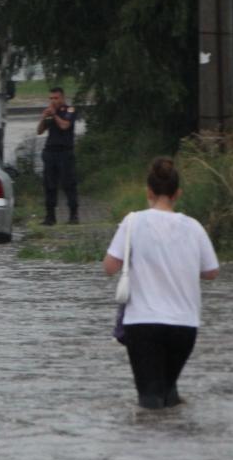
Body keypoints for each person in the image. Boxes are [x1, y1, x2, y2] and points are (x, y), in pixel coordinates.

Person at [103, 157, 220, 410]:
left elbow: (110, 267)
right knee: (168, 394)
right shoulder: (194, 227)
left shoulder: (132, 222)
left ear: (149, 191)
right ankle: (177, 445)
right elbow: (211, 272)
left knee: (150, 399)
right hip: (184, 325)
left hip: (143, 324)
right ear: (178, 193)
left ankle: (149, 449)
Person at [35, 87, 79, 225]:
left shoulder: (69, 110)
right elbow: (40, 131)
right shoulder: (50, 112)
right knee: (49, 185)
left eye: (56, 98)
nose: (53, 101)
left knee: (68, 183)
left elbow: (65, 126)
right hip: (50, 152)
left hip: (65, 152)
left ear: (62, 98)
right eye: (51, 98)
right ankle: (50, 216)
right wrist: (44, 117)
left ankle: (73, 215)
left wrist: (54, 115)